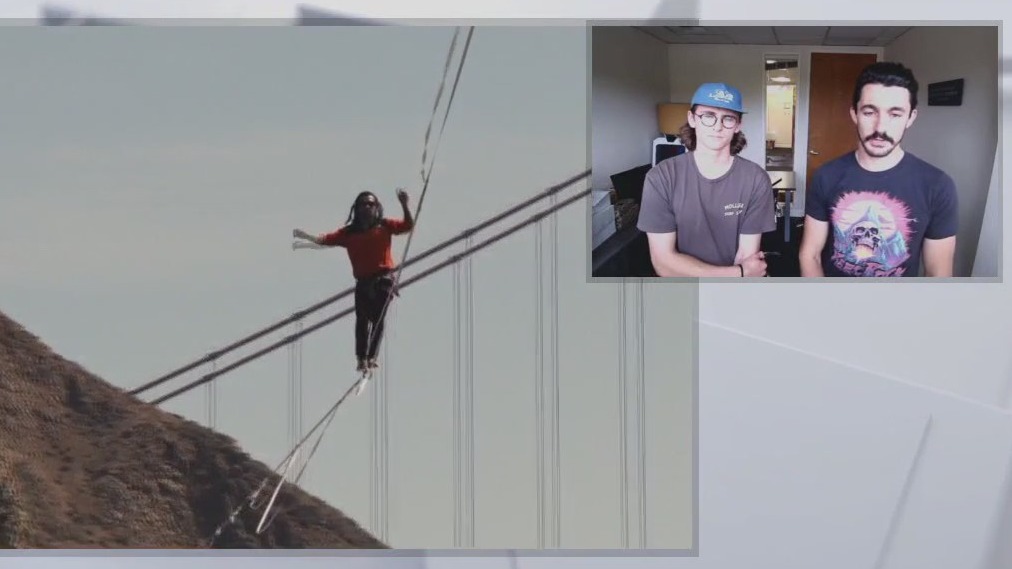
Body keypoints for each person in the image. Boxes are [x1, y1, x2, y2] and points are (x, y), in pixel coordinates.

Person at [799, 61, 958, 277]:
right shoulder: (825, 176)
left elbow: (938, 273)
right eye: (869, 112)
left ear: (910, 117)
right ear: (854, 114)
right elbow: (810, 255)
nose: (880, 127)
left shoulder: (938, 186)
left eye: (895, 114)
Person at [637, 82, 776, 278]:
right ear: (692, 119)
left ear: (738, 125)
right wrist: (739, 273)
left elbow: (746, 255)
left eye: (728, 118)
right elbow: (664, 264)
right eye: (708, 116)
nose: (718, 126)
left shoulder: (756, 179)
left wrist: (739, 275)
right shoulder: (661, 177)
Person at [293, 188, 414, 372]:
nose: (367, 207)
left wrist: (405, 205)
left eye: (371, 204)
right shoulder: (349, 233)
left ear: (377, 208)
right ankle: (361, 359)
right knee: (362, 320)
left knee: (378, 318)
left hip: (384, 280)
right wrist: (306, 238)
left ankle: (371, 357)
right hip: (363, 283)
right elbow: (325, 240)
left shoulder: (385, 226)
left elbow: (407, 226)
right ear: (357, 209)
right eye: (363, 204)